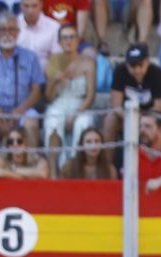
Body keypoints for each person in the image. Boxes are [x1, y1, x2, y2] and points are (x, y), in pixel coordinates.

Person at [0, 15, 46, 147]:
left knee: (31, 122)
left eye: (11, 29)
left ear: (18, 32)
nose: (7, 33)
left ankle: (32, 164)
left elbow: (37, 90)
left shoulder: (30, 57)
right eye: (2, 30)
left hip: (22, 109)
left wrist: (19, 111)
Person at [41, 21, 92, 164]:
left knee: (83, 122)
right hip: (59, 103)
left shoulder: (88, 62)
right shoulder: (53, 61)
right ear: (59, 41)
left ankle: (76, 166)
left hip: (80, 104)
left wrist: (75, 114)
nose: (69, 41)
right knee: (53, 120)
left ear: (78, 40)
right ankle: (55, 169)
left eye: (72, 37)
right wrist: (54, 81)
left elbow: (90, 97)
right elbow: (49, 97)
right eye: (65, 38)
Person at [105, 42, 161, 143]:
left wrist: (142, 119)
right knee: (110, 119)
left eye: (140, 64)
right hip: (126, 115)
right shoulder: (120, 71)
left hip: (151, 117)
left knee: (158, 125)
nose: (137, 70)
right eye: (133, 65)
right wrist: (132, 118)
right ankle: (107, 158)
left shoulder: (157, 73)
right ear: (127, 64)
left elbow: (160, 108)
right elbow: (116, 106)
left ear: (147, 62)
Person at [15, 0, 60, 67]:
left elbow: (56, 57)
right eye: (26, 6)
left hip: (44, 73)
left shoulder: (54, 27)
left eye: (34, 6)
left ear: (41, 5)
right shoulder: (12, 25)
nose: (30, 11)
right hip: (16, 72)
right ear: (21, 6)